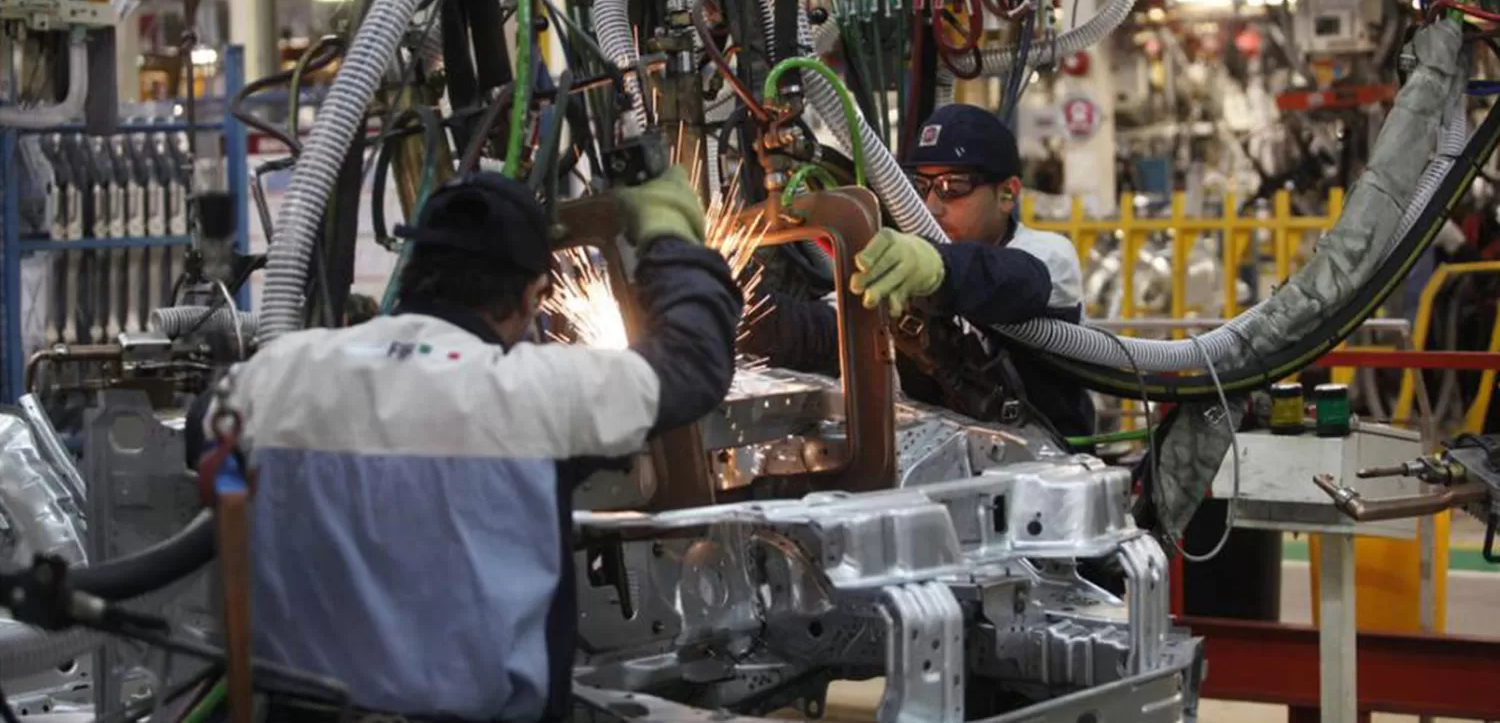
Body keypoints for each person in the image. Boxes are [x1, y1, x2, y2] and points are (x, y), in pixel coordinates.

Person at [195, 167, 742, 721]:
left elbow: (204, 438)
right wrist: (669, 237)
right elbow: (691, 364)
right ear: (532, 297)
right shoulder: (534, 391)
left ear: (413, 271)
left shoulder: (278, 372)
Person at [744, 103, 1094, 437]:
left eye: (953, 187)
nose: (931, 206)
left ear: (1007, 194)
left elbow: (1010, 279)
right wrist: (732, 297)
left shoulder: (1048, 255)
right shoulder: (905, 264)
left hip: (1048, 464)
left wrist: (938, 265)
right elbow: (818, 331)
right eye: (920, 187)